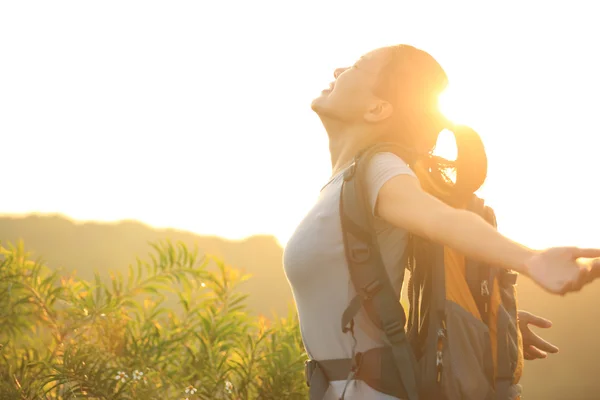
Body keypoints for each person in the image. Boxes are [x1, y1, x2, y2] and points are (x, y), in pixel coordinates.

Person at [282, 44, 600, 399]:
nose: (339, 70)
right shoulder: (347, 182)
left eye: (357, 66)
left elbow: (442, 220)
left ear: (377, 108)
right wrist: (480, 323)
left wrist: (529, 259)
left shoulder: (379, 169)